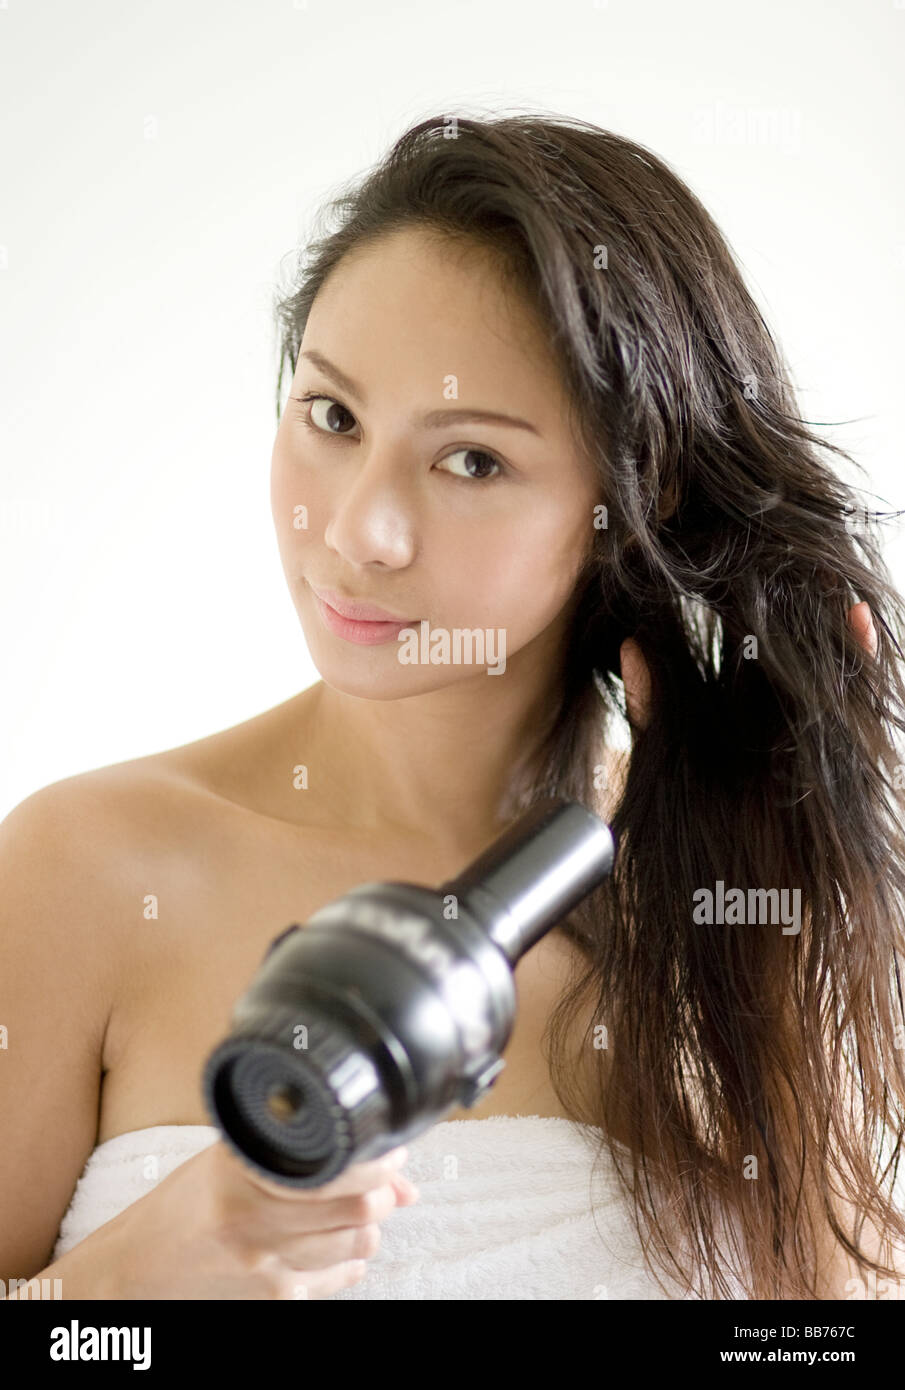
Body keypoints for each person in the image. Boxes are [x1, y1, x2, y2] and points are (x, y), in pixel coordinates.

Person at [2, 112, 904, 1301]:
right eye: (331, 417)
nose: (357, 531)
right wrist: (102, 1299)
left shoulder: (720, 905)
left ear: (635, 495)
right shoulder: (84, 868)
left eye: (470, 460)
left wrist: (794, 866)